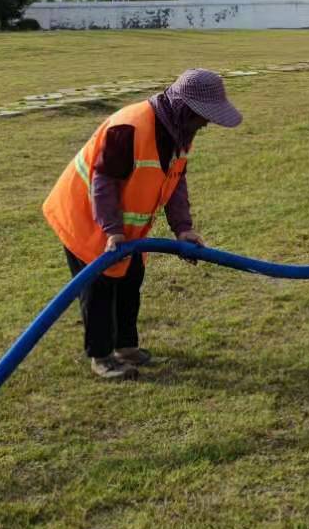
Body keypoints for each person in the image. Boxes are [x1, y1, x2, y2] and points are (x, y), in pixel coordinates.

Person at [42, 69, 243, 379]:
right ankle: (101, 355)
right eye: (203, 116)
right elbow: (104, 181)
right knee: (99, 287)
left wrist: (183, 229)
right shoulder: (130, 127)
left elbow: (175, 181)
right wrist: (113, 231)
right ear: (184, 109)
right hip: (85, 217)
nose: (206, 123)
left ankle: (125, 345)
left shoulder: (180, 133)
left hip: (124, 227)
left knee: (130, 278)